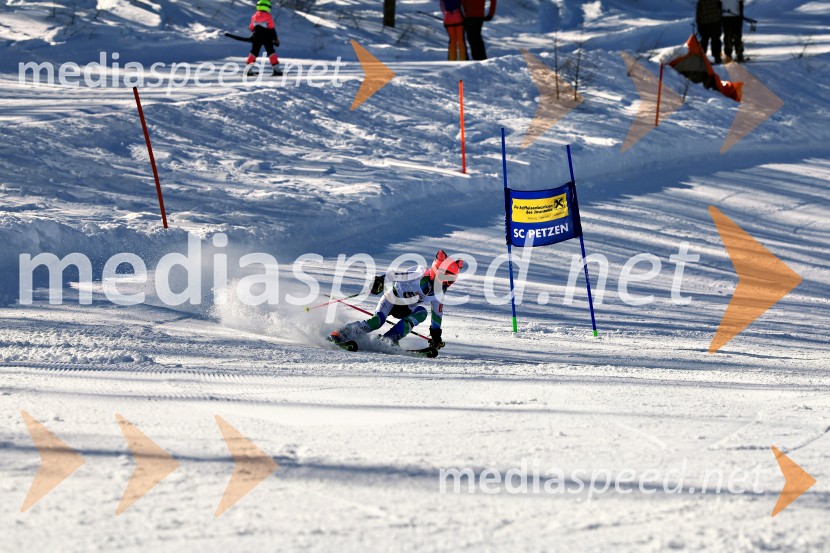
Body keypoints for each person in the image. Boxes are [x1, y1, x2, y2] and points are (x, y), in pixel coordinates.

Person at [330, 250, 464, 351]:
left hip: (406, 309)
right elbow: (395, 275)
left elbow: (437, 315)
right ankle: (342, 333)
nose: (447, 282)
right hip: (391, 300)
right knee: (377, 322)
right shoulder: (419, 274)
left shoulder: (439, 294)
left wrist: (436, 336)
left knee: (422, 312)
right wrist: (380, 281)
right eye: (444, 277)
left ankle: (390, 338)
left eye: (451, 279)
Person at [245, 0, 282, 76]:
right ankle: (276, 70)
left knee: (254, 52)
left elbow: (251, 27)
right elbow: (271, 28)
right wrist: (275, 39)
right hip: (267, 38)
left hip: (256, 37)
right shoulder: (268, 16)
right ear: (268, 7)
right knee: (271, 52)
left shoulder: (255, 16)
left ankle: (248, 70)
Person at [696, 0, 723, 64]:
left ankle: (701, 58)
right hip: (715, 22)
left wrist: (699, 24)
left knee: (704, 41)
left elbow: (698, 13)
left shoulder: (701, 2)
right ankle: (717, 57)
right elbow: (720, 8)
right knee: (716, 41)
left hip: (704, 23)